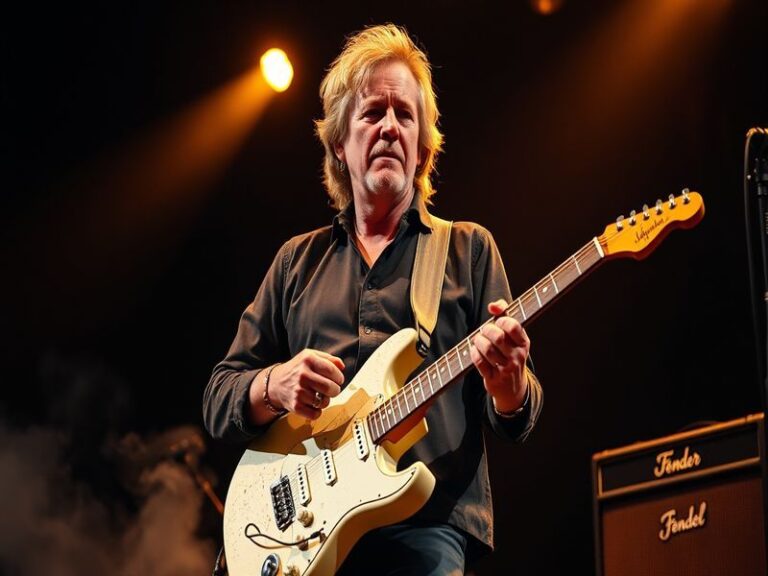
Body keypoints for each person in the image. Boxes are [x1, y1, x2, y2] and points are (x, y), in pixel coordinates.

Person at [203, 23, 543, 576]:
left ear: (423, 146)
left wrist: (509, 389)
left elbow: (518, 415)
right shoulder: (297, 261)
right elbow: (220, 397)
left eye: (404, 115)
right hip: (301, 538)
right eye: (372, 113)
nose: (389, 126)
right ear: (340, 143)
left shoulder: (468, 249)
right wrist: (274, 383)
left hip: (426, 529)